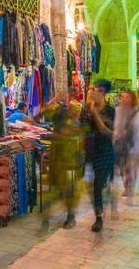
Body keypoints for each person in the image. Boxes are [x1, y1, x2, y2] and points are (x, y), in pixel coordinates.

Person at [45, 88, 87, 230]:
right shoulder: (63, 116)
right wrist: (55, 98)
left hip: (71, 160)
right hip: (59, 158)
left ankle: (71, 216)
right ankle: (68, 213)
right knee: (61, 186)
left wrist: (63, 135)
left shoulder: (77, 123)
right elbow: (46, 110)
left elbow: (81, 137)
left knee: (71, 189)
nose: (77, 113)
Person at [86, 79, 115, 232]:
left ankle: (99, 219)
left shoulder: (110, 110)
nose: (96, 93)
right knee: (94, 184)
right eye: (94, 89)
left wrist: (94, 112)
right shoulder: (88, 108)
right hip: (92, 148)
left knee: (97, 183)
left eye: (99, 90)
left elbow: (106, 131)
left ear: (104, 93)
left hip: (105, 149)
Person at [113, 89, 139, 198]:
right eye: (122, 97)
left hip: (134, 146)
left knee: (130, 167)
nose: (123, 99)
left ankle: (129, 188)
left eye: (126, 97)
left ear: (132, 99)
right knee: (122, 168)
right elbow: (114, 127)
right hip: (120, 145)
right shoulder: (117, 111)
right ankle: (127, 185)